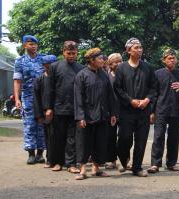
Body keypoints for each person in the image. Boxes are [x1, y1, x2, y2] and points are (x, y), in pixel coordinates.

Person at [113, 38, 157, 177]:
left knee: (141, 140)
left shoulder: (148, 68)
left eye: (140, 47)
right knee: (124, 138)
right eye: (136, 47)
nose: (139, 50)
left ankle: (137, 167)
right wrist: (130, 100)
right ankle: (124, 159)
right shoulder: (121, 68)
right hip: (127, 111)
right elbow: (118, 88)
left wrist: (147, 99)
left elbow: (154, 87)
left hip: (143, 110)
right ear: (128, 51)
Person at [74, 48, 117, 180]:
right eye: (99, 58)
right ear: (91, 60)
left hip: (102, 115)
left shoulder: (104, 74)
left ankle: (96, 168)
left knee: (100, 142)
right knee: (84, 143)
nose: (102, 60)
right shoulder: (81, 75)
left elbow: (110, 95)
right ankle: (82, 170)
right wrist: (80, 116)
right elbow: (78, 98)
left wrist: (113, 113)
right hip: (87, 117)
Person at [147, 49, 179, 174]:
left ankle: (171, 163)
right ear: (164, 60)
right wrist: (151, 112)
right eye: (169, 58)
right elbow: (154, 94)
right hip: (160, 110)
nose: (172, 60)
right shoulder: (157, 74)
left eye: (174, 58)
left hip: (176, 110)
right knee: (158, 136)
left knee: (174, 137)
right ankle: (155, 164)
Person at [48, 41, 83, 173]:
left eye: (73, 53)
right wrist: (49, 108)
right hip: (58, 107)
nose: (71, 56)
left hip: (74, 109)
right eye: (68, 53)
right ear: (63, 52)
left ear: (77, 53)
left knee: (72, 138)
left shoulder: (81, 68)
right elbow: (50, 89)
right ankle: (57, 162)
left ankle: (71, 164)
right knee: (58, 136)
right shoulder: (54, 67)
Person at [13, 35, 46, 164]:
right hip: (27, 97)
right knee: (29, 125)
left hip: (42, 97)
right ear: (25, 46)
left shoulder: (43, 59)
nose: (33, 46)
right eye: (30, 44)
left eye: (35, 44)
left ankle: (40, 153)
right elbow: (17, 80)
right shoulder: (20, 61)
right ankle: (31, 153)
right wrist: (17, 98)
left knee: (42, 124)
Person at [33, 55, 57, 168]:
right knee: (49, 136)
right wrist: (39, 115)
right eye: (47, 66)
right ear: (43, 66)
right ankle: (50, 159)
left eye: (52, 65)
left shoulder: (59, 78)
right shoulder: (39, 80)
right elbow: (36, 99)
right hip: (45, 113)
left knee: (63, 136)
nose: (50, 68)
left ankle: (65, 160)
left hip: (60, 111)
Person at [105, 53, 123, 169]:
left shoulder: (125, 74)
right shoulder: (106, 76)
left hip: (124, 110)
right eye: (115, 62)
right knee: (110, 136)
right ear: (110, 64)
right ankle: (112, 160)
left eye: (120, 61)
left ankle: (124, 160)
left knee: (124, 136)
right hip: (110, 111)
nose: (118, 64)